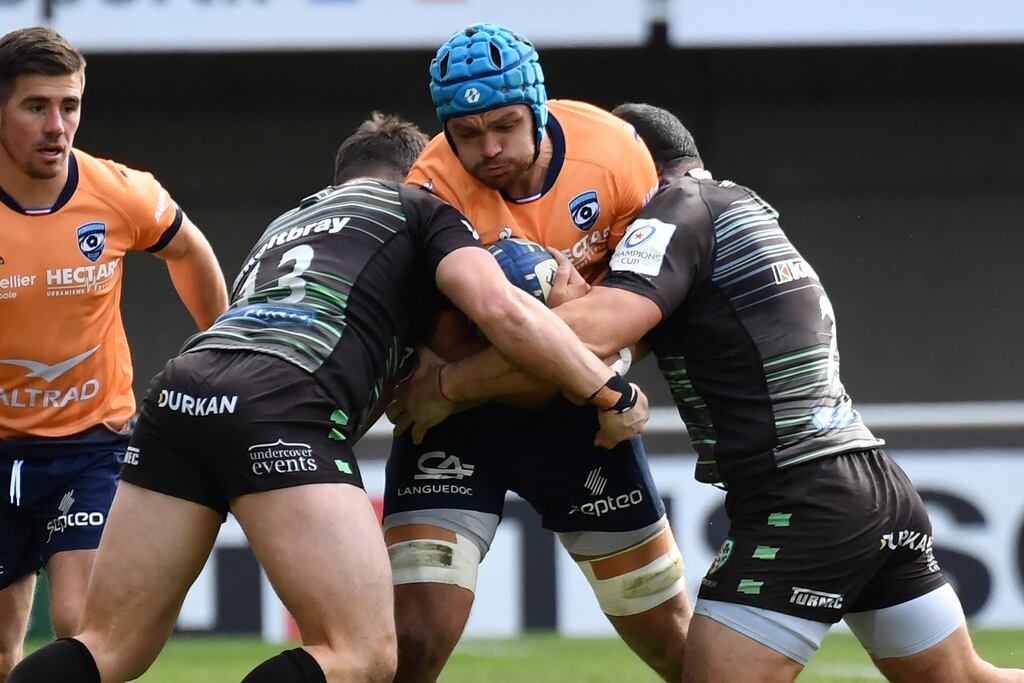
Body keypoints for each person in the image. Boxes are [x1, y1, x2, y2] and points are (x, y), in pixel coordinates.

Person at [6, 112, 648, 683]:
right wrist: (607, 389)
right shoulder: (423, 209)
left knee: (107, 646)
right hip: (281, 405)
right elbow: (500, 310)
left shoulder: (286, 223)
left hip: (182, 389)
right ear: (418, 172)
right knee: (361, 654)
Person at [393, 102, 1024, 683]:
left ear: (631, 159)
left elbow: (590, 337)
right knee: (963, 678)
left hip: (801, 499)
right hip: (871, 480)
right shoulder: (738, 205)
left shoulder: (674, 212)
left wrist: (450, 383)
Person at [384, 23, 690, 683]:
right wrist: (562, 320)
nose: (488, 148)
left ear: (539, 107)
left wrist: (463, 379)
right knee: (410, 645)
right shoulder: (430, 183)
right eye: (467, 133)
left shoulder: (616, 155)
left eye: (505, 125)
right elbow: (439, 342)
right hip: (459, 433)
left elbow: (637, 316)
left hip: (581, 421)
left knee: (677, 646)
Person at [0, 27, 228, 681]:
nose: (57, 125)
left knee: (84, 627)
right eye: (35, 106)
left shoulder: (117, 190)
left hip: (90, 446)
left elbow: (189, 249)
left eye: (69, 106)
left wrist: (221, 347)